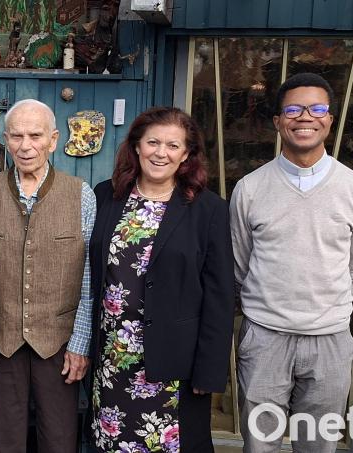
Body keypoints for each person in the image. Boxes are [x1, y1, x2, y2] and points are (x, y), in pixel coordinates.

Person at [230, 73, 353, 453]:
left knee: (318, 445)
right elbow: (240, 263)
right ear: (278, 121)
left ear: (329, 119)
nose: (305, 117)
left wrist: (326, 305)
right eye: (293, 109)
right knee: (259, 446)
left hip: (328, 340)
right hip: (264, 337)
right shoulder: (250, 188)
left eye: (317, 108)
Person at [89, 107, 235, 453]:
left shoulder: (207, 209)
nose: (161, 152)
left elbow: (220, 294)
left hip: (175, 365)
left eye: (173, 145)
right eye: (153, 142)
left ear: (186, 155)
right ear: (137, 146)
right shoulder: (105, 197)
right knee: (112, 442)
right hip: (112, 358)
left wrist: (210, 370)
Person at [0, 98, 96, 453]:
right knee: (3, 441)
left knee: (60, 439)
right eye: (17, 136)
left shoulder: (81, 195)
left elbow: (88, 278)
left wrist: (81, 343)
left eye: (35, 136)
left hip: (59, 342)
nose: (26, 146)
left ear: (53, 140)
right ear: (6, 140)